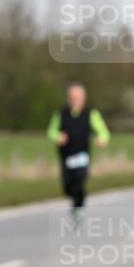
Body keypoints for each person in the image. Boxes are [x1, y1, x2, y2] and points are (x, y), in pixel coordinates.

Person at [46, 83, 110, 221]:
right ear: (68, 98)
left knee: (80, 181)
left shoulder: (91, 113)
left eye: (77, 98)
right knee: (68, 187)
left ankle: (79, 208)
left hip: (82, 155)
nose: (74, 100)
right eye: (72, 98)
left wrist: (102, 139)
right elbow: (51, 131)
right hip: (66, 156)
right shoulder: (60, 114)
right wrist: (58, 137)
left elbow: (103, 131)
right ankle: (76, 203)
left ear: (83, 98)